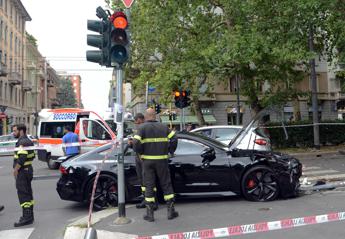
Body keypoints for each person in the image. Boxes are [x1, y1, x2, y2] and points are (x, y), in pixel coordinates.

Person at [133, 108, 178, 222]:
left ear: (146, 116)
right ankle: (171, 212)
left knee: (149, 186)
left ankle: (150, 214)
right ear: (155, 116)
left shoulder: (142, 127)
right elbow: (174, 138)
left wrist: (141, 153)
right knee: (166, 184)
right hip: (162, 161)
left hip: (147, 162)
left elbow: (136, 143)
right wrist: (170, 151)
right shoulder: (163, 127)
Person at [12, 124, 36, 227]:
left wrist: (16, 170)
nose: (13, 133)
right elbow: (33, 155)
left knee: (23, 193)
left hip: (22, 171)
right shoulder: (28, 141)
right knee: (28, 192)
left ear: (21, 131)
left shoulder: (22, 142)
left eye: (15, 131)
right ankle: (29, 216)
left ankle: (26, 217)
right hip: (28, 170)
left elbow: (22, 157)